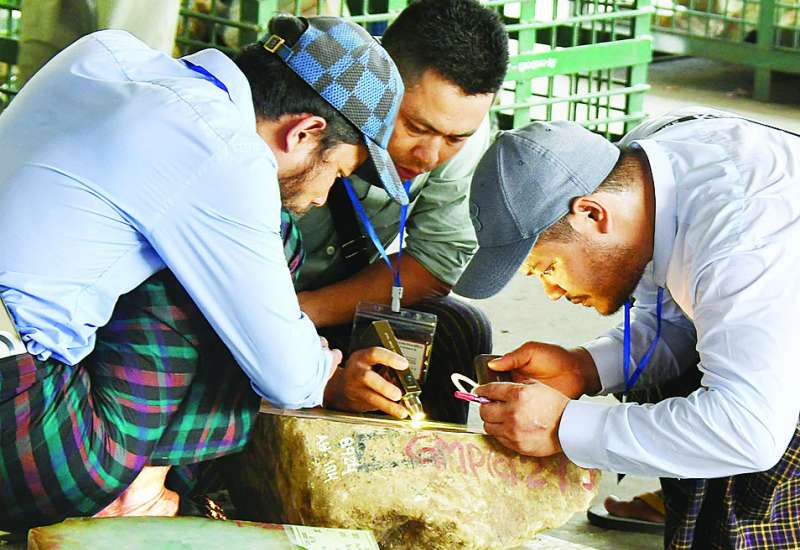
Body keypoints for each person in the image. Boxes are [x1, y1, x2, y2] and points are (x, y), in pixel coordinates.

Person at [0, 15, 407, 530]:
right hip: (28, 443)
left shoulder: (104, 53)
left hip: (16, 380)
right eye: (337, 172)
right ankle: (140, 493)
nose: (324, 197)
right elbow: (289, 379)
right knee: (272, 238)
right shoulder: (222, 151)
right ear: (304, 132)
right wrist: (327, 373)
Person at [454, 107, 800, 549]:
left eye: (549, 267)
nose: (553, 292)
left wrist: (565, 425)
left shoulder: (741, 240)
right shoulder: (642, 173)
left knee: (744, 496)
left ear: (592, 214)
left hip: (769, 397)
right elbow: (677, 322)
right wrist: (583, 367)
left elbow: (748, 430)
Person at [292, 0, 509, 423]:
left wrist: (306, 312)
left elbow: (435, 262)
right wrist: (281, 328)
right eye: (416, 127)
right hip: (240, 293)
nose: (430, 155)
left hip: (327, 299)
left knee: (460, 327)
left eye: (455, 138)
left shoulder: (463, 126)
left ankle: (426, 463)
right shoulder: (309, 102)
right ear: (381, 84)